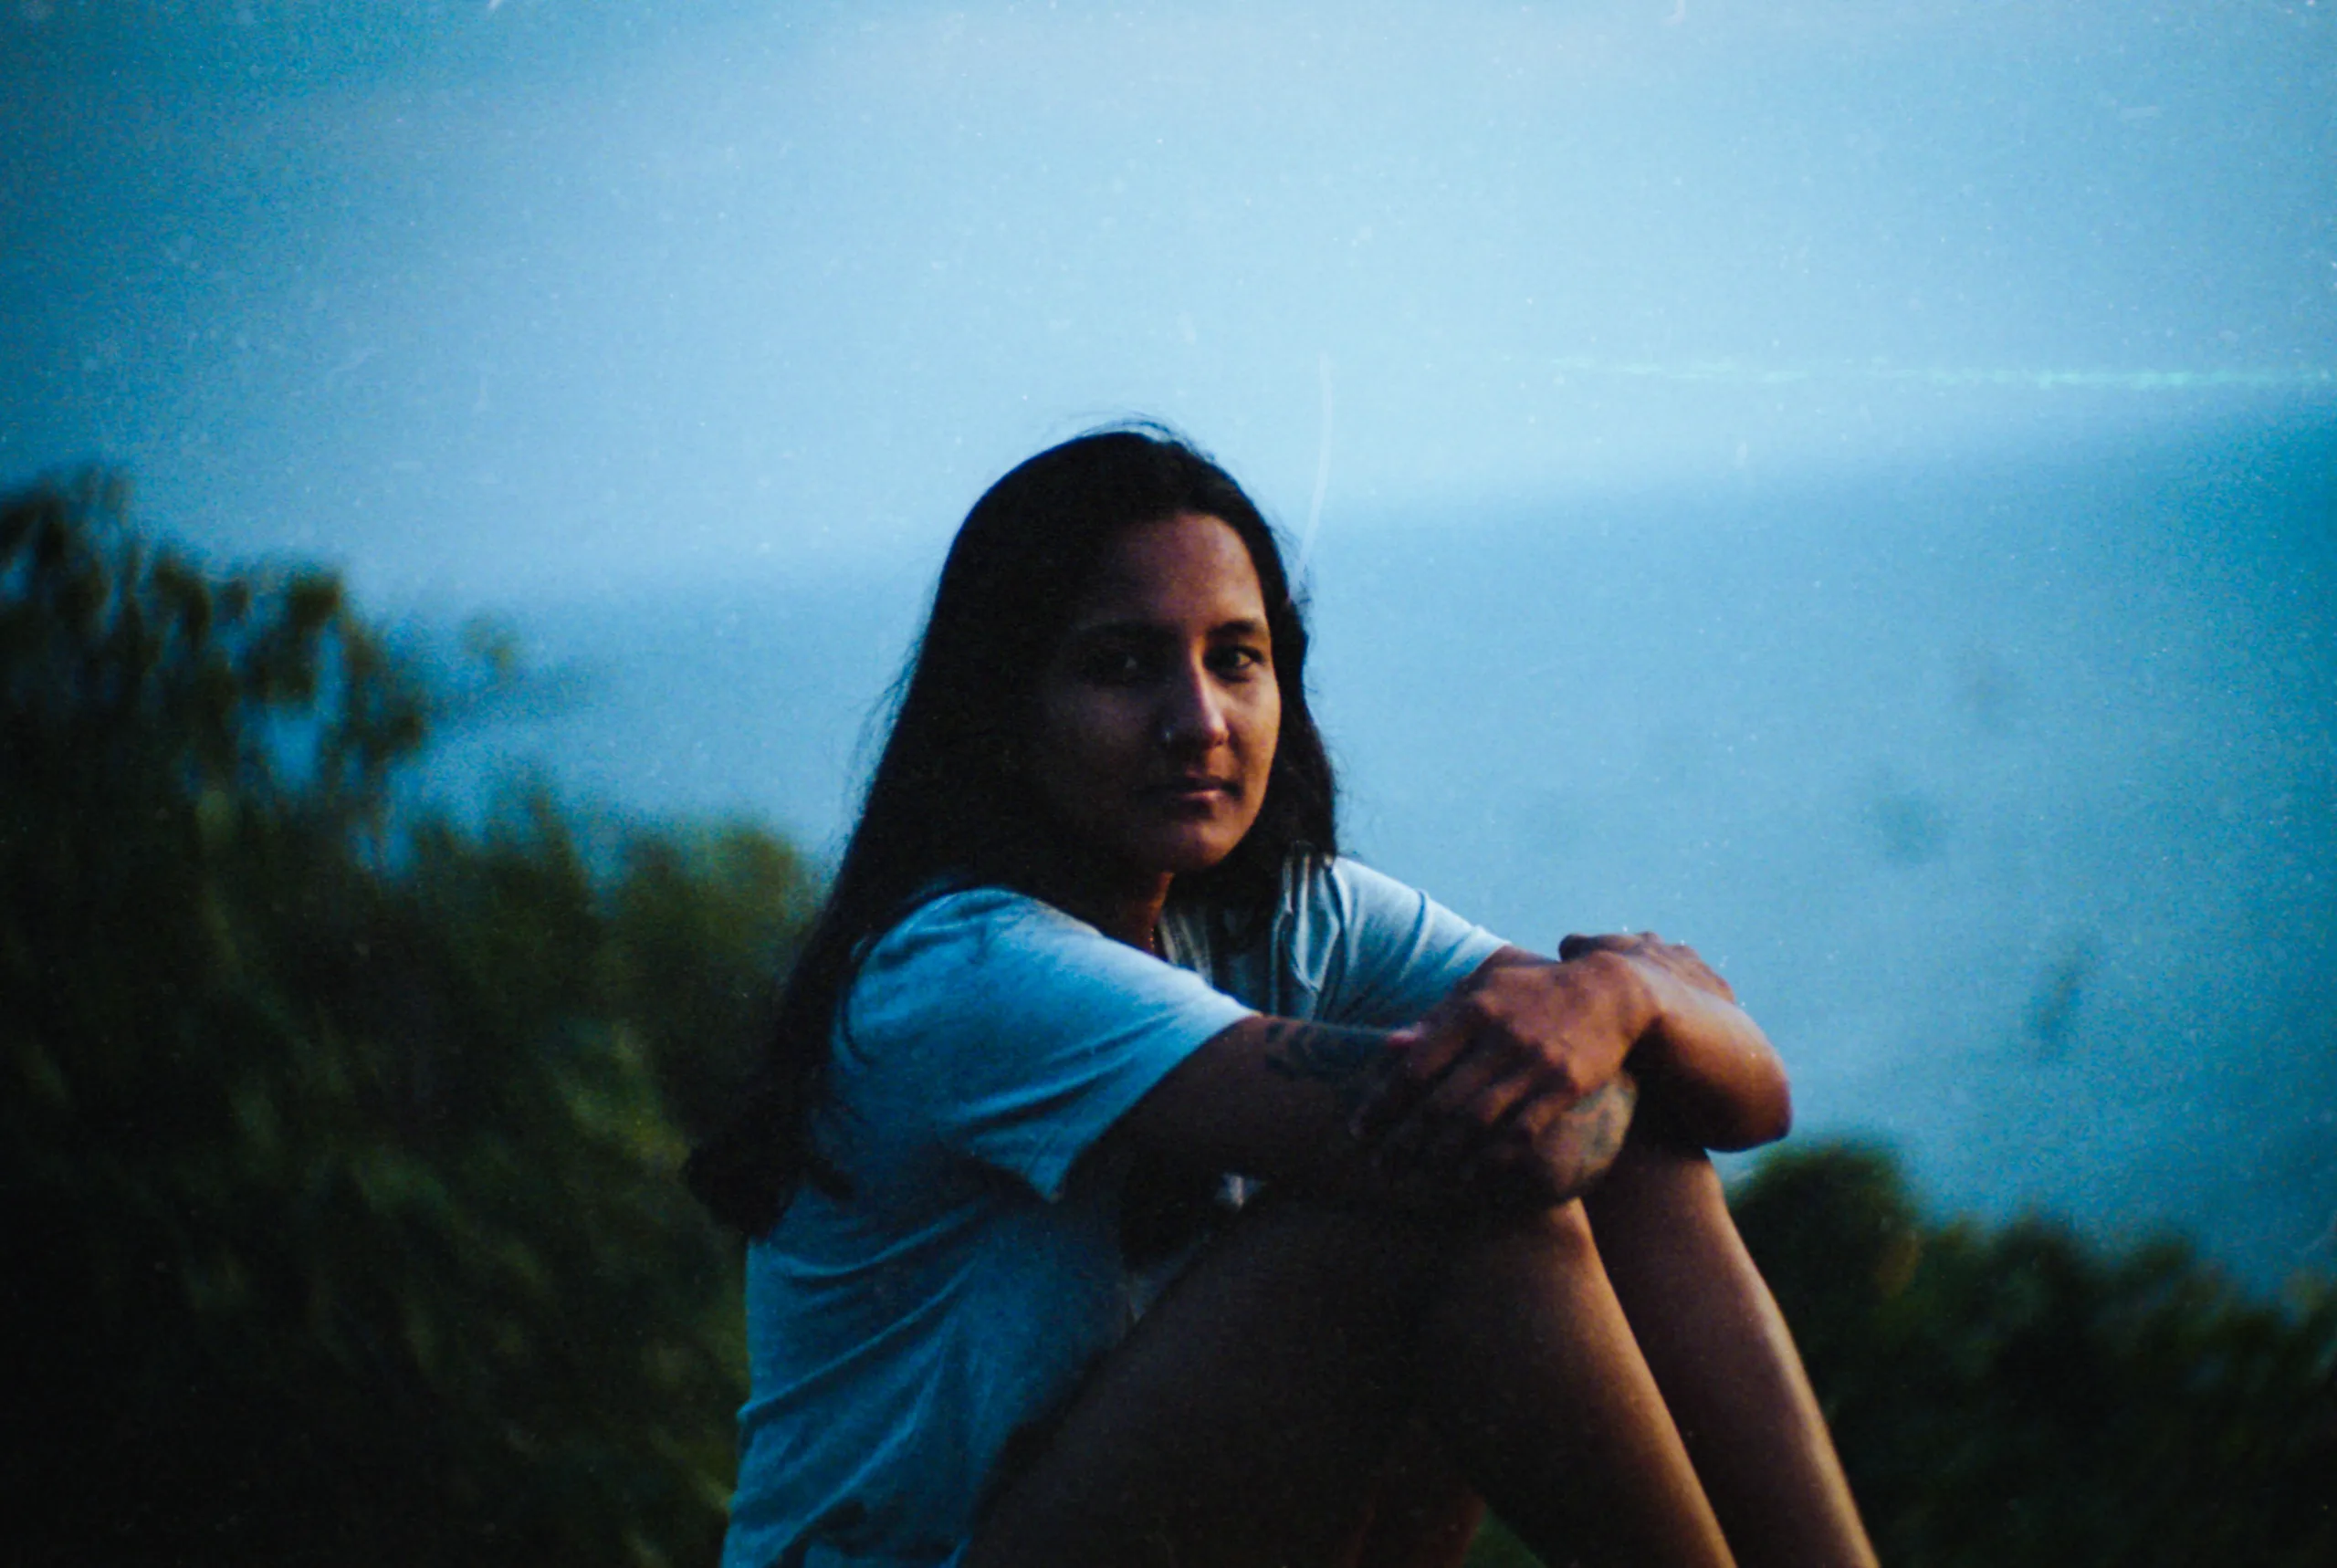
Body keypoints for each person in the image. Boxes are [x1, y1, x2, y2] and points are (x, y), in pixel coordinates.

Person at [687, 426, 1878, 1568]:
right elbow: (1527, 1141)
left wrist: (1619, 996)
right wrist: (1612, 1015)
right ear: (1004, 708)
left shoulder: (1287, 915)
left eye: (1235, 657)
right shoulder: (966, 970)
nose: (1198, 720)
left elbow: (1749, 1098)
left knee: (1634, 1133)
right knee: (1455, 1198)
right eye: (1123, 665)